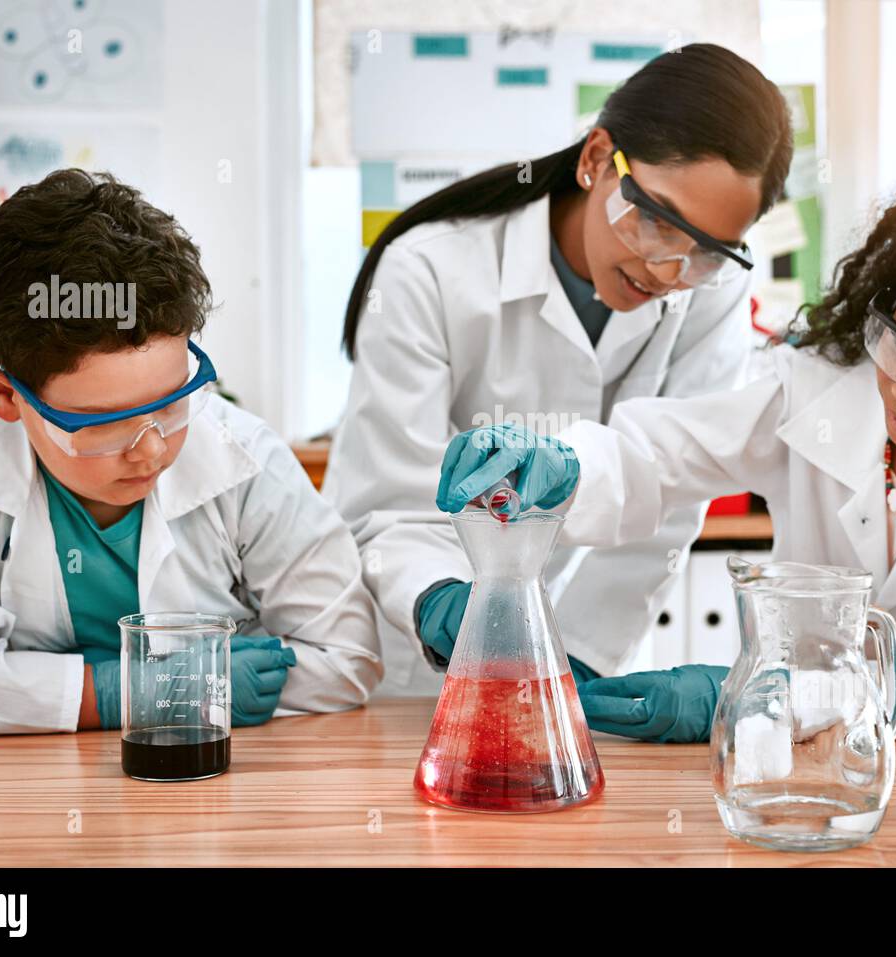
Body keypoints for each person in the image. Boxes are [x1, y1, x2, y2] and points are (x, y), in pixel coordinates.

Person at [437, 128, 896, 740]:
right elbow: (661, 451)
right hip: (829, 741)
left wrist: (769, 696)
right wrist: (564, 463)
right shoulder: (816, 391)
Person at [323, 43, 793, 694]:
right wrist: (443, 603)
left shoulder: (713, 293)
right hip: (416, 664)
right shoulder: (429, 269)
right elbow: (387, 503)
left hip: (582, 650)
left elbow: (669, 496)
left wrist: (580, 660)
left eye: (708, 251)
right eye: (657, 220)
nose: (667, 271)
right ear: (597, 158)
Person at [0, 169, 380, 734]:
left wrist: (46, 689)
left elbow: (345, 658)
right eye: (105, 423)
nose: (151, 450)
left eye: (171, 401)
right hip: (22, 781)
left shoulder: (244, 456)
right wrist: (152, 690)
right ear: (4, 396)